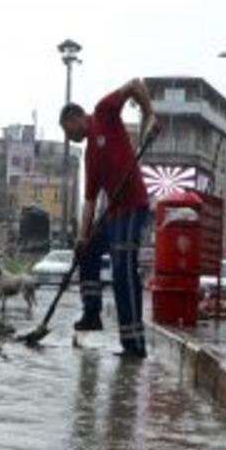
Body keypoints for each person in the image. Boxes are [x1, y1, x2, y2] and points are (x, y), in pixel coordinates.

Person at [59, 78, 160, 359]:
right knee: (88, 250)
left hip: (133, 205)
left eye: (68, 131)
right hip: (113, 212)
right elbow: (90, 201)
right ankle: (92, 313)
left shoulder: (103, 111)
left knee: (122, 269)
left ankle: (134, 343)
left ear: (76, 117)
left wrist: (149, 115)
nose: (70, 138)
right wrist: (82, 236)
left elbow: (136, 85)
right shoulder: (90, 155)